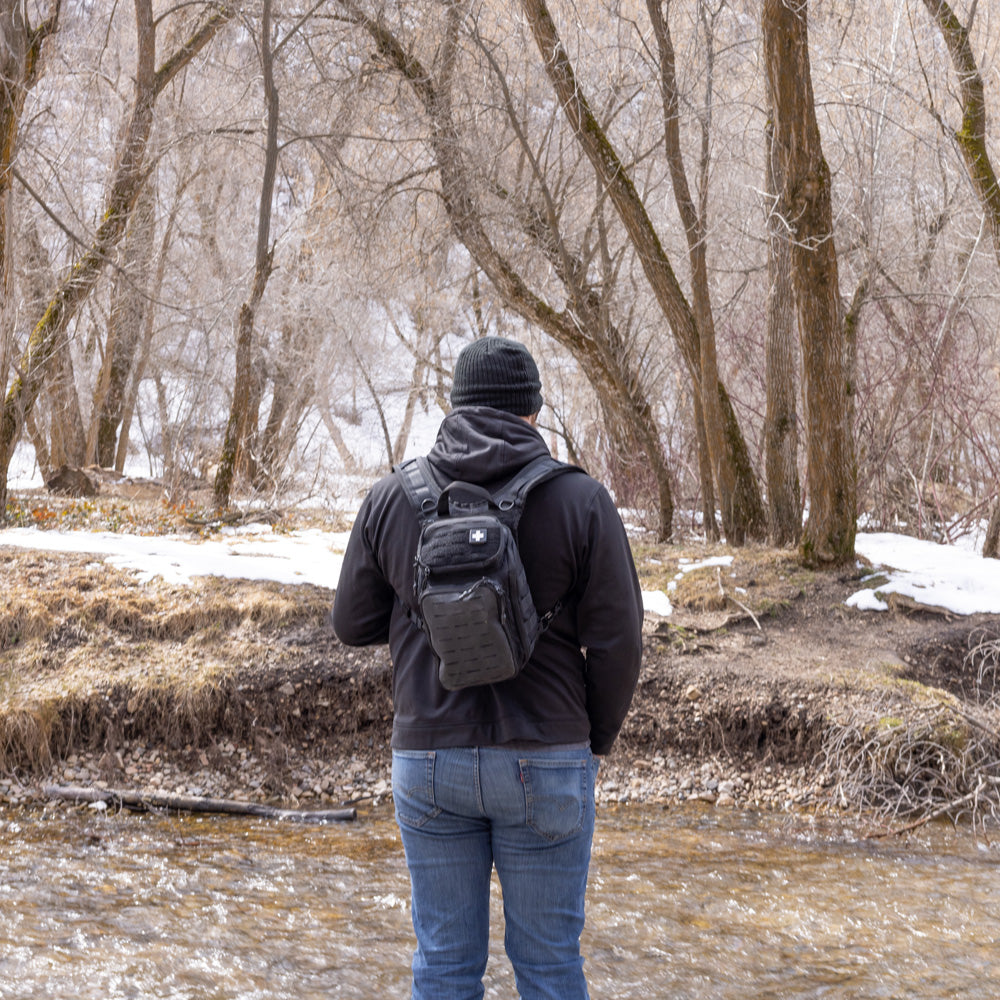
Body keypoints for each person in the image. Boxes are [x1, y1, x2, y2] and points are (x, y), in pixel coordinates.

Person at [332, 336, 643, 1000]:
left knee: (443, 964)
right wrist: (594, 744)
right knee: (550, 964)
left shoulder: (392, 497)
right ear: (532, 412)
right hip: (549, 754)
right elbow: (619, 642)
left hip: (429, 758)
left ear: (454, 407)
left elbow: (351, 626)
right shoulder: (582, 500)